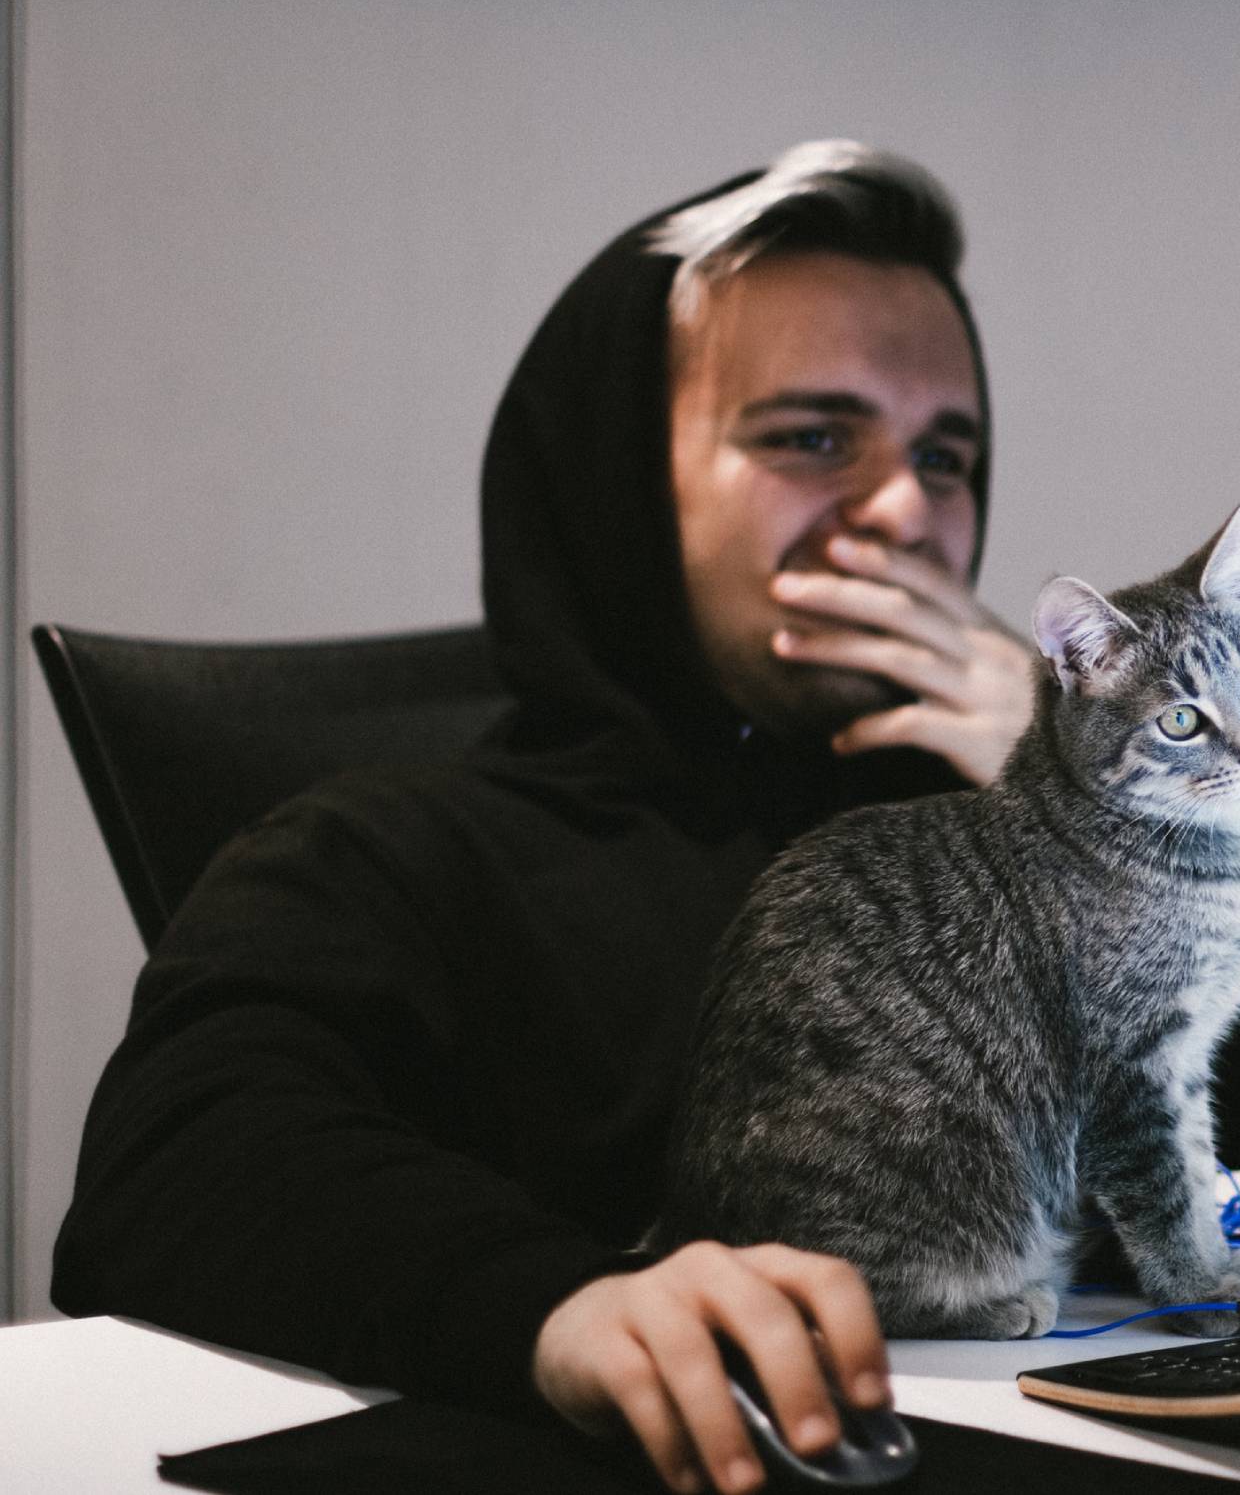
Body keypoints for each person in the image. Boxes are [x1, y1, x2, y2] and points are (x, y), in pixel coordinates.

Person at [51, 140, 1036, 1495]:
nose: (908, 511)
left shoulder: (1000, 838)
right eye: (814, 438)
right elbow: (180, 1163)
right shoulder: (393, 856)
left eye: (947, 455)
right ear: (624, 484)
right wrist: (554, 1304)